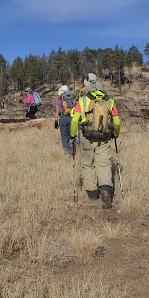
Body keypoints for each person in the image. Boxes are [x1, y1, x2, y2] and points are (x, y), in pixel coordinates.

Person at [69, 80, 121, 209]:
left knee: (88, 164)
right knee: (104, 164)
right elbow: (117, 121)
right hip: (104, 137)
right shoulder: (110, 101)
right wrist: (116, 133)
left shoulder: (83, 100)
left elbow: (75, 120)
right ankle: (105, 192)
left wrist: (72, 135)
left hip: (86, 137)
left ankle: (92, 193)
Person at [55, 85, 75, 154]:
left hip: (63, 118)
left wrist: (56, 120)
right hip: (72, 118)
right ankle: (71, 147)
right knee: (71, 134)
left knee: (64, 136)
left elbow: (57, 111)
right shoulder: (73, 98)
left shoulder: (60, 99)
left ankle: (66, 152)